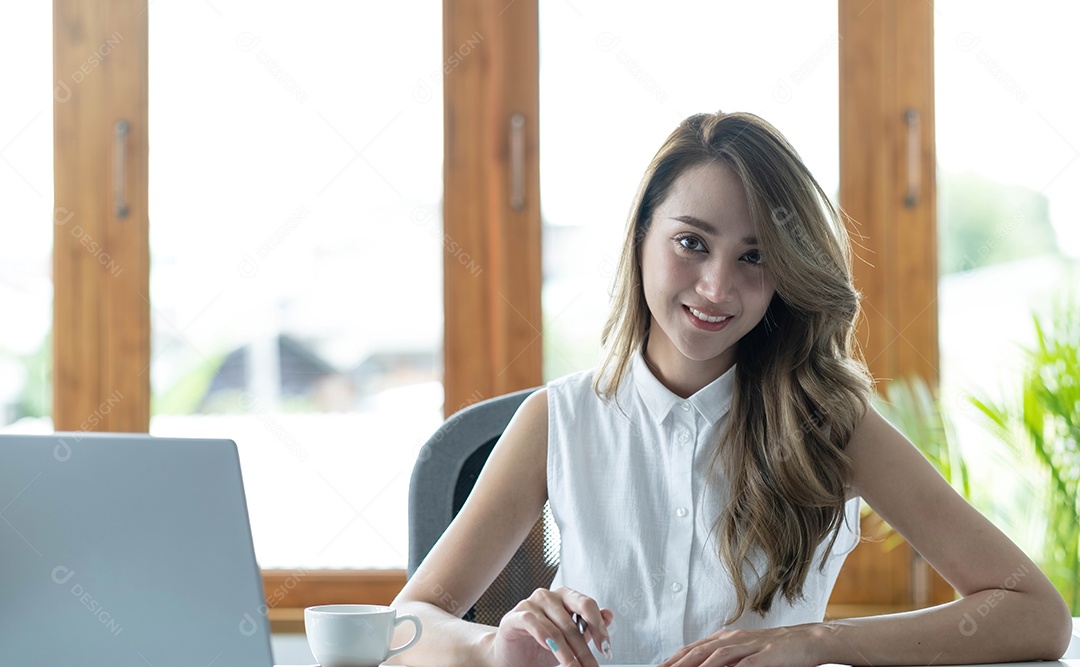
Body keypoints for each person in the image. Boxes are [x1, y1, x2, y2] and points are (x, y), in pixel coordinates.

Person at [391, 111, 1072, 667]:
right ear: (641, 239)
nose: (717, 287)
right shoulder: (558, 420)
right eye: (692, 243)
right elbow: (404, 626)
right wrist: (489, 644)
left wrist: (820, 640)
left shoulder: (832, 425)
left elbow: (1034, 610)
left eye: (754, 257)